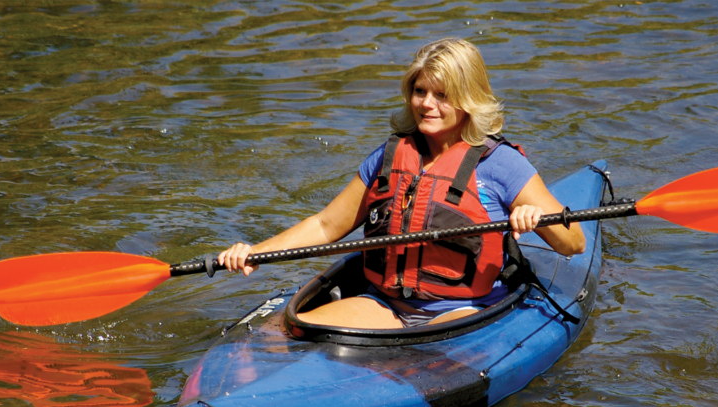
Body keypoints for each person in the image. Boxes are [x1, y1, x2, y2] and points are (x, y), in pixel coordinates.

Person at [218, 38, 585, 329]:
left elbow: (574, 243)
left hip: (461, 310)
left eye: (442, 95)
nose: (427, 104)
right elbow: (327, 225)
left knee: (427, 361)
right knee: (279, 332)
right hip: (386, 305)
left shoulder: (500, 163)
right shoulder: (389, 157)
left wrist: (534, 218)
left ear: (469, 101)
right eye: (420, 91)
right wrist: (256, 252)